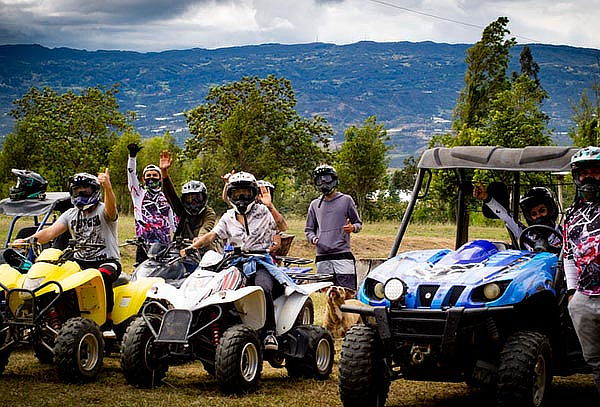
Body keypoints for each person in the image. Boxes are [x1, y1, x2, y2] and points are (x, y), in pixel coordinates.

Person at [182, 171, 289, 350]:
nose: (241, 197)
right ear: (230, 194)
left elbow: (282, 226)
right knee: (212, 286)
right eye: (236, 193)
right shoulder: (228, 216)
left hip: (260, 260)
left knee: (263, 288)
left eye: (246, 193)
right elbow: (212, 235)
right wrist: (193, 246)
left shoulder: (263, 211)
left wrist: (270, 206)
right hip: (234, 262)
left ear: (254, 193)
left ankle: (270, 332)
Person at [15, 170, 121, 319]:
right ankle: (63, 316)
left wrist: (108, 188)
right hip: (79, 261)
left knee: (101, 276)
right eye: (77, 190)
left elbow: (112, 209)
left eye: (85, 189)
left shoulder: (103, 210)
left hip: (107, 260)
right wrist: (27, 241)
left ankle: (107, 321)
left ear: (95, 191)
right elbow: (50, 232)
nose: (81, 193)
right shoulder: (70, 214)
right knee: (58, 278)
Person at [564, 146, 600, 396]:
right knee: (595, 361)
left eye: (595, 172)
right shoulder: (572, 216)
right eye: (583, 173)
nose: (588, 178)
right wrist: (572, 292)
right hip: (584, 297)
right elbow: (568, 255)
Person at [304, 164, 362, 290]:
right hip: (322, 256)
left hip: (342, 254)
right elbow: (309, 230)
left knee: (347, 292)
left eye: (327, 178)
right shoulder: (314, 204)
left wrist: (352, 228)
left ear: (334, 180)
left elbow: (358, 224)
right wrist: (314, 239)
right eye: (320, 180)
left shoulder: (346, 200)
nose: (324, 183)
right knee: (325, 293)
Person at [127, 143, 176, 264]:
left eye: (155, 175)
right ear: (143, 179)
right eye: (148, 176)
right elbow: (131, 175)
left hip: (165, 244)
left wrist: (178, 238)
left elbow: (173, 219)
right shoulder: (138, 194)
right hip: (144, 245)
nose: (151, 178)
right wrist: (132, 158)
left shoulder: (166, 196)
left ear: (160, 179)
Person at [473, 183, 561, 249]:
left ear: (551, 209)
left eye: (542, 210)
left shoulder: (564, 233)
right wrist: (486, 197)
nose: (538, 216)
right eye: (533, 214)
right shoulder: (526, 234)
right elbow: (506, 217)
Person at [158, 151, 217, 245]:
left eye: (197, 198)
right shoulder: (182, 211)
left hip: (204, 250)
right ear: (184, 200)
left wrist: (200, 239)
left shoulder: (208, 212)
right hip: (181, 250)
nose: (193, 202)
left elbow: (207, 227)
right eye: (189, 198)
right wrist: (164, 172)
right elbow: (171, 195)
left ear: (204, 198)